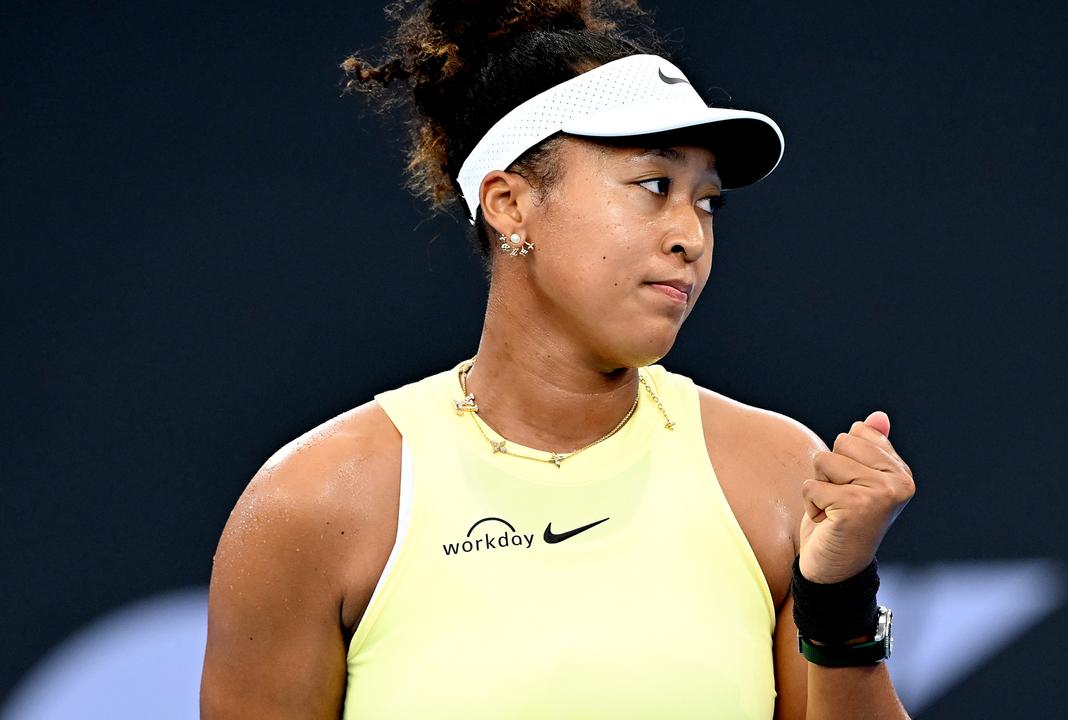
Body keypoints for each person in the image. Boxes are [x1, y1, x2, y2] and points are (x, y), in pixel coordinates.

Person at [199, 1, 916, 718]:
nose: (690, 236)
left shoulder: (777, 474)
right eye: (653, 185)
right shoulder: (315, 504)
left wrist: (838, 601)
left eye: (708, 202)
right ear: (510, 204)